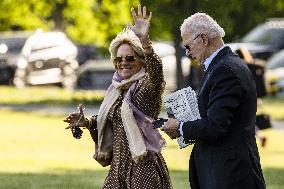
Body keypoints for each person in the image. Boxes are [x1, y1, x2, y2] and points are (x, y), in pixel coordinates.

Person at [63, 5, 172, 189]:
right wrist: (87, 123)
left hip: (143, 170)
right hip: (118, 168)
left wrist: (144, 41)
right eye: (119, 59)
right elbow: (115, 120)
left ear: (141, 59)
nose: (123, 62)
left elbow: (157, 73)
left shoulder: (147, 86)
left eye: (130, 58)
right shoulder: (116, 89)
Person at [161, 13, 266, 189]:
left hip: (230, 175)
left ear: (203, 39)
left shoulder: (225, 69)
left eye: (188, 46)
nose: (188, 53)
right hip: (225, 170)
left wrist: (180, 127)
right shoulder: (225, 64)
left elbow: (216, 126)